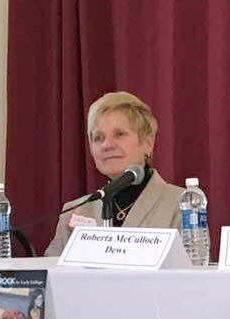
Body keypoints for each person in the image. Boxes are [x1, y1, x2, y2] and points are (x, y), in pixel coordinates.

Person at [44, 92, 185, 256]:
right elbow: (51, 275)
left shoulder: (182, 204)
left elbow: (192, 275)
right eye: (98, 137)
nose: (107, 145)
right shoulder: (75, 211)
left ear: (148, 143)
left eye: (119, 134)